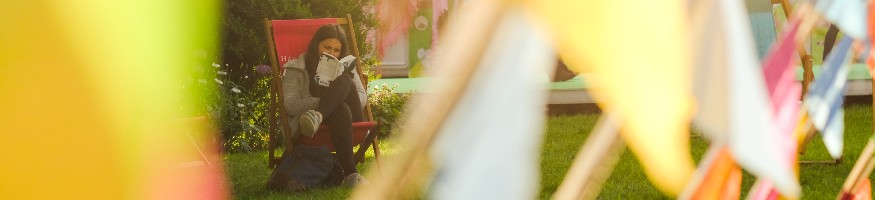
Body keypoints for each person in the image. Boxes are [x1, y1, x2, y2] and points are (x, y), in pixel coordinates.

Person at [281, 24, 368, 188]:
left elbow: (362, 97)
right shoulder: (297, 67)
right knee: (340, 108)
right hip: (311, 128)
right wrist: (325, 101)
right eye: (327, 47)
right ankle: (351, 175)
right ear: (316, 45)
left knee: (345, 81)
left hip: (350, 122)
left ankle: (318, 116)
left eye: (337, 50)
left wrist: (333, 97)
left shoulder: (346, 66)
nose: (331, 53)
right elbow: (290, 105)